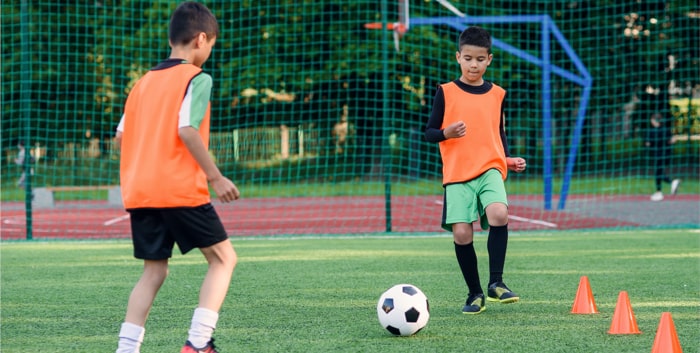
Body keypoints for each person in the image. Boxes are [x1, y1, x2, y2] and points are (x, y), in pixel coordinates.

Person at [114, 3, 239, 353]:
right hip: (179, 189)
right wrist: (216, 177)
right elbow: (187, 129)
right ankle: (198, 343)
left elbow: (121, 137)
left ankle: (126, 349)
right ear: (201, 39)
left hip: (141, 191)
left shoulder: (143, 82)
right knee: (223, 259)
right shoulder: (196, 78)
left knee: (154, 272)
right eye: (211, 44)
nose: (210, 51)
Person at [424, 26, 527, 315]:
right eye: (468, 58)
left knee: (499, 213)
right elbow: (429, 133)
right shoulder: (445, 92)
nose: (473, 64)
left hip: (489, 168)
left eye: (480, 59)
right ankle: (475, 293)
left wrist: (507, 159)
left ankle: (497, 282)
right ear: (458, 57)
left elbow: (497, 133)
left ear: (489, 60)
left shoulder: (498, 94)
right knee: (461, 234)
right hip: (457, 174)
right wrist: (447, 132)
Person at [643, 94, 680, 201]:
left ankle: (669, 184)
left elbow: (648, 143)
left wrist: (650, 143)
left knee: (658, 173)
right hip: (666, 154)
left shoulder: (651, 131)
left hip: (657, 154)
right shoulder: (665, 130)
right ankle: (660, 191)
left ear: (653, 120)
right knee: (659, 172)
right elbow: (672, 140)